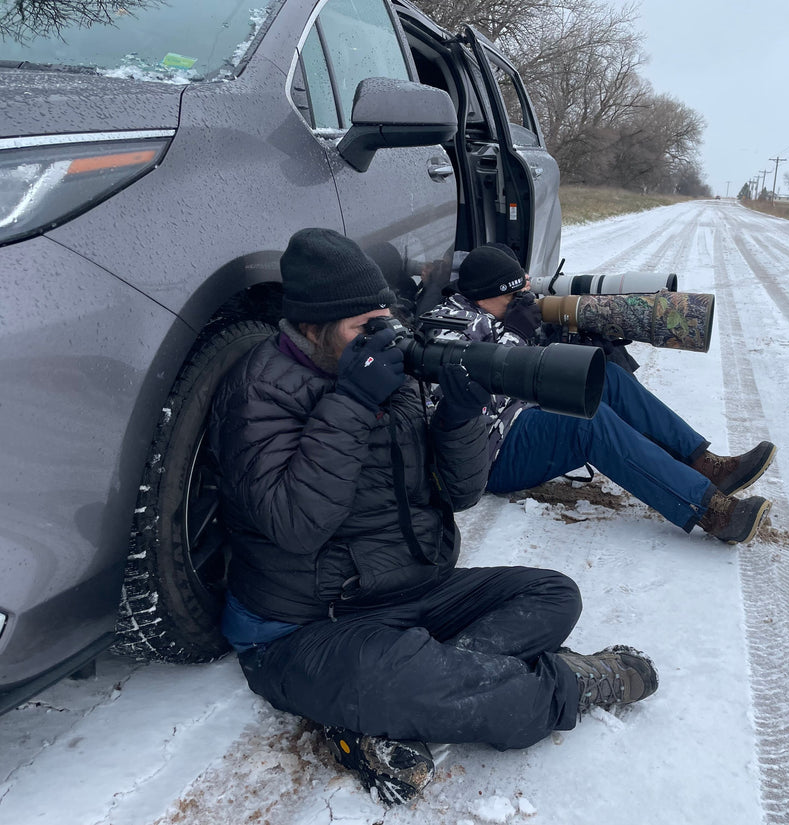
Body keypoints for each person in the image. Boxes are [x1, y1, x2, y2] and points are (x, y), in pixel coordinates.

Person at [207, 228, 658, 805]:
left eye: (386, 320)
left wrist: (459, 419)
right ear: (313, 328)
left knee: (553, 595)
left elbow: (462, 493)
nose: (384, 338)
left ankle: (415, 688)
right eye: (363, 328)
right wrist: (351, 402)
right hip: (306, 625)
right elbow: (298, 524)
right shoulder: (259, 392)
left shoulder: (389, 376)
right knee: (503, 704)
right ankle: (565, 683)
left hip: (412, 595)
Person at [421, 244, 777, 545]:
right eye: (514, 296)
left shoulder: (496, 314)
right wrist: (517, 335)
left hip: (522, 414)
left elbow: (534, 356)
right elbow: (467, 406)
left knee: (606, 377)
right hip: (489, 453)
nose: (522, 302)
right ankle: (710, 510)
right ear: (486, 294)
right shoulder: (445, 330)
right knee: (586, 425)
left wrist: (586, 338)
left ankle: (705, 464)